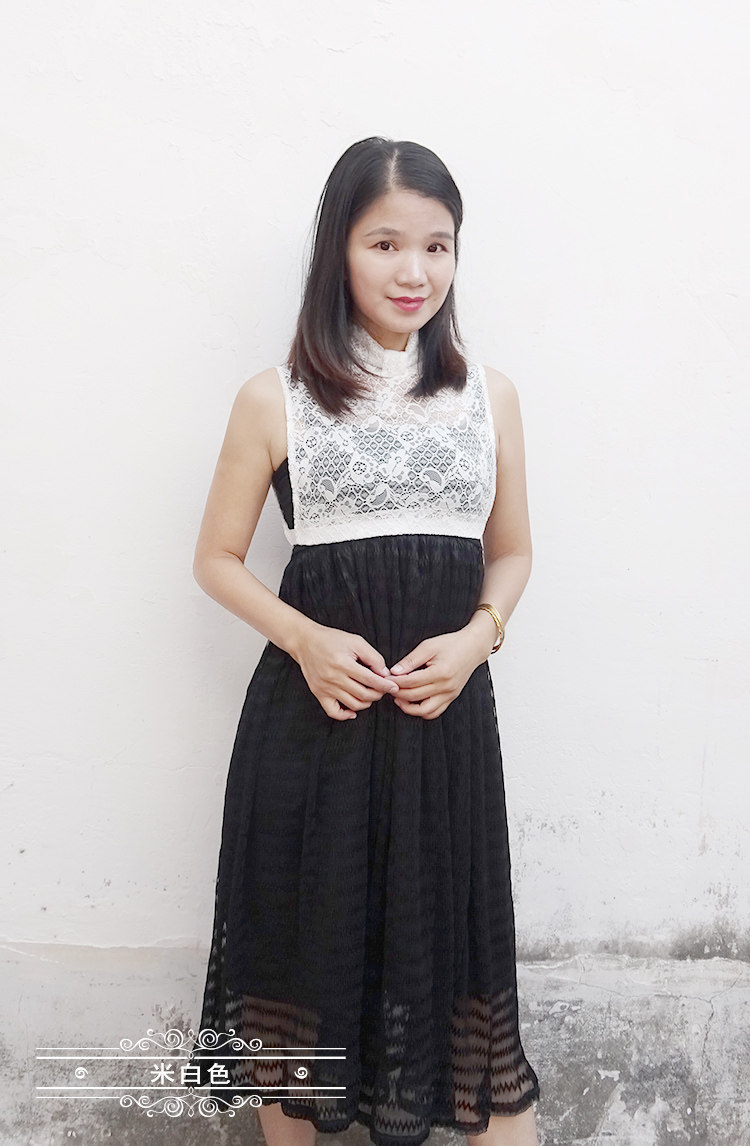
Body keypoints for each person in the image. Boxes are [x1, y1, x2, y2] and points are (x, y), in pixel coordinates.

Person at [188, 136, 541, 1146]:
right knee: (297, 986)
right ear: (338, 251)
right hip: (315, 730)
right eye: (385, 244)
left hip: (444, 733)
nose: (413, 271)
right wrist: (305, 640)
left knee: (468, 998)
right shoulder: (274, 399)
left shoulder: (490, 397)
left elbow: (513, 553)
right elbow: (216, 559)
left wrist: (477, 638)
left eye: (437, 245)